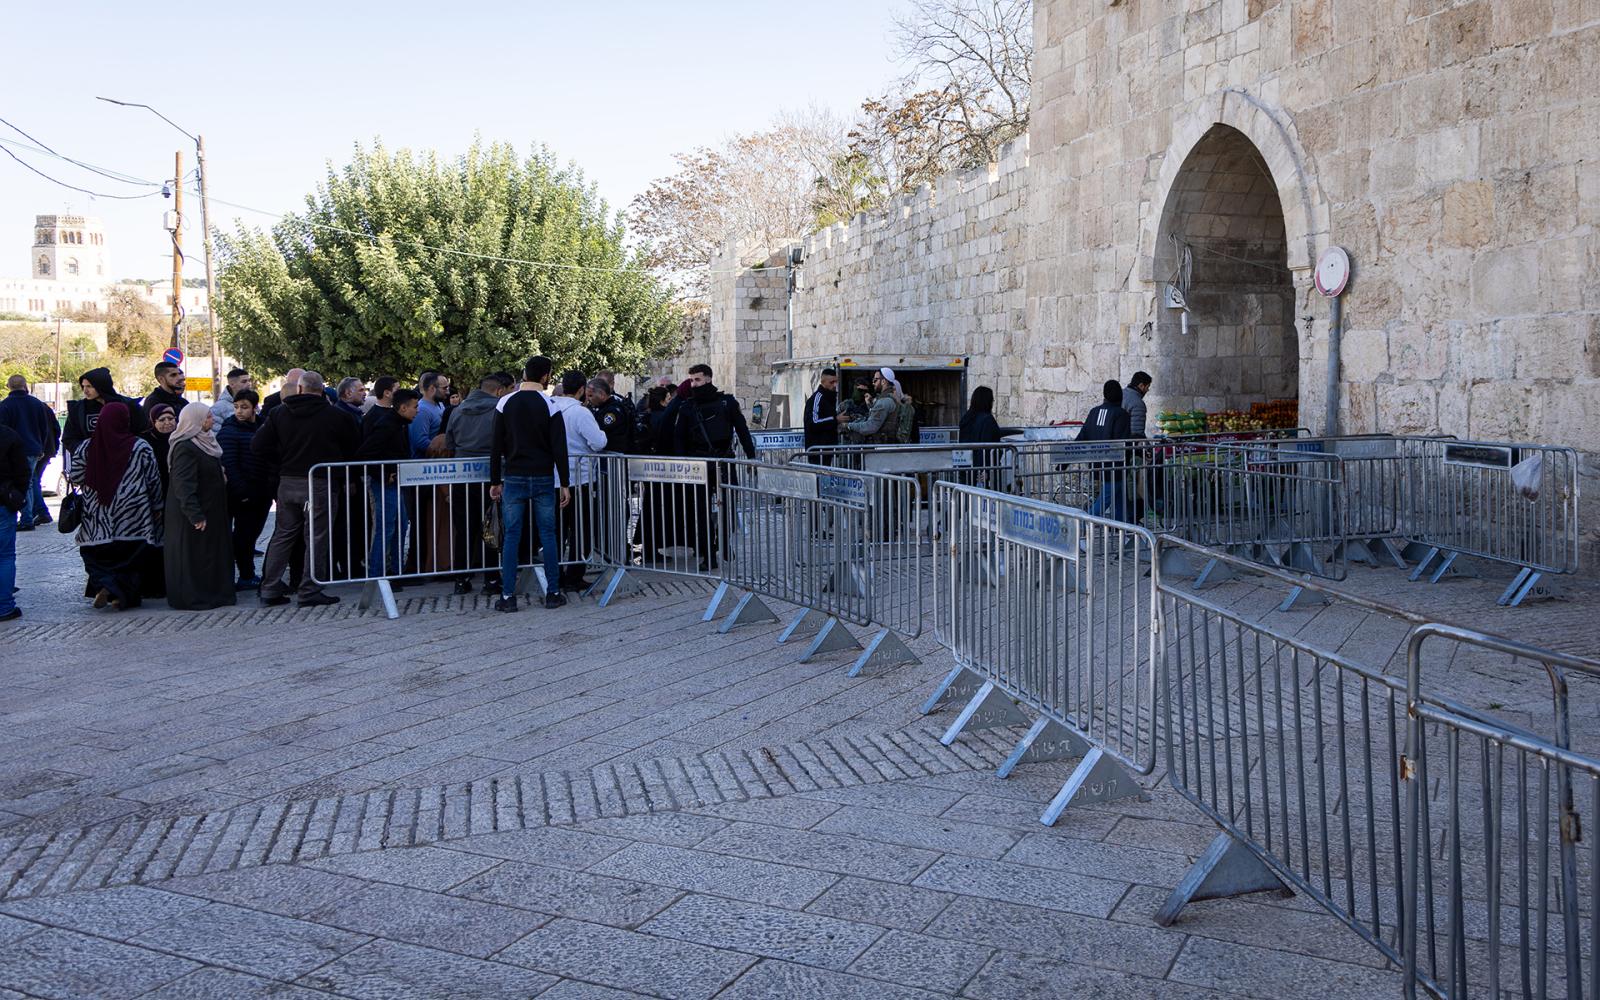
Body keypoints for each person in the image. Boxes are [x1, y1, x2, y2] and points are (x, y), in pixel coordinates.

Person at [252, 371, 360, 607]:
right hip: (320, 481)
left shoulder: (279, 413)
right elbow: (353, 448)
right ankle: (309, 590)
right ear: (321, 390)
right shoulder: (336, 415)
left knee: (283, 534)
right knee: (317, 537)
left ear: (299, 389)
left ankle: (269, 588)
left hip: (288, 482)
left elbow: (258, 445)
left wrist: (282, 460)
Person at [489, 355, 570, 612]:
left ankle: (507, 596)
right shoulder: (550, 404)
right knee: (548, 535)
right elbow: (560, 447)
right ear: (546, 376)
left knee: (512, 535)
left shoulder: (505, 402)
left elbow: (495, 445)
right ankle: (553, 592)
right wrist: (565, 482)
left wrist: (494, 480)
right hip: (544, 476)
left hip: (513, 475)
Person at [66, 402, 164, 610]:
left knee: (97, 556)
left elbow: (75, 476)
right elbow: (153, 480)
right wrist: (157, 507)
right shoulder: (140, 446)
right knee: (132, 558)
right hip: (134, 516)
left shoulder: (86, 446)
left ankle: (106, 585)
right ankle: (120, 595)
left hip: (97, 515)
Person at [672, 364, 756, 571]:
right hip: (698, 464)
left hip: (724, 461)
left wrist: (752, 456)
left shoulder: (727, 403)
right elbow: (679, 439)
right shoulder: (687, 407)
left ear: (709, 379)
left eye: (697, 380)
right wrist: (683, 465)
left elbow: (742, 430)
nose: (693, 384)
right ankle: (708, 554)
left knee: (728, 505)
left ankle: (724, 541)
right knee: (700, 511)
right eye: (691, 380)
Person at [446, 372, 514, 595]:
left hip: (461, 475)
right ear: (499, 390)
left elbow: (449, 442)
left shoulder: (457, 411)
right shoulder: (500, 410)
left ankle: (461, 579)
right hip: (491, 475)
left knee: (463, 527)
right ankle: (491, 578)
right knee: (491, 526)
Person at [163, 403, 235, 610]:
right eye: (208, 417)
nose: (211, 421)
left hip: (212, 509)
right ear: (196, 421)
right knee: (194, 557)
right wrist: (195, 514)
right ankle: (196, 597)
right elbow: (183, 484)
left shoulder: (205, 442)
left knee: (210, 554)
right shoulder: (185, 447)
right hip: (194, 513)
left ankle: (215, 594)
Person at [550, 371, 607, 591]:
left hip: (553, 477)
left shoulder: (550, 407)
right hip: (578, 479)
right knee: (581, 529)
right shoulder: (580, 413)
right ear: (582, 390)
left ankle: (555, 573)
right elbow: (598, 442)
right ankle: (574, 575)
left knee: (556, 530)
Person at [357, 388, 419, 581]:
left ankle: (395, 572)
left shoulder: (400, 423)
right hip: (385, 484)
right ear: (402, 407)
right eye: (415, 407)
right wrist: (384, 475)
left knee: (400, 526)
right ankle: (377, 575)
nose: (417, 411)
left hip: (395, 482)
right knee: (386, 529)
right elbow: (365, 454)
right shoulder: (387, 425)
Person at [218, 389, 271, 589]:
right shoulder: (229, 430)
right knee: (243, 536)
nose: (239, 411)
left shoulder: (263, 426)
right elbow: (229, 464)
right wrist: (243, 492)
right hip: (242, 493)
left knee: (251, 535)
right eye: (237, 407)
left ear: (254, 408)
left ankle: (247, 573)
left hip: (261, 491)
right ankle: (246, 575)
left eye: (244, 407)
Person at [0, 375, 60, 530]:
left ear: (9, 386)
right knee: (31, 480)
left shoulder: (5, 406)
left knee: (26, 482)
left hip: (16, 450)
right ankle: (40, 511)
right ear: (25, 385)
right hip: (34, 447)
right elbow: (44, 428)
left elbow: (4, 432)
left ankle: (27, 518)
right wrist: (41, 446)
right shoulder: (37, 404)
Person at [1075, 379, 1133, 522]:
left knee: (1120, 499)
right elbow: (1123, 442)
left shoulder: (1094, 412)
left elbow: (1083, 436)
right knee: (1104, 501)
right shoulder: (1121, 414)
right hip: (1115, 466)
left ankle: (1124, 530)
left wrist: (1064, 461)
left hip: (1097, 464)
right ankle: (1082, 526)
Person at [64, 367, 147, 454]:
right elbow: (69, 438)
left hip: (125, 460)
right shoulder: (78, 409)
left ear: (101, 386)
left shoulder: (128, 405)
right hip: (91, 462)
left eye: (89, 386)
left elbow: (143, 431)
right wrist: (86, 452)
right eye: (83, 386)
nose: (85, 391)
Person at [0, 421, 27, 621]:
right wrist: (16, 496)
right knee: (5, 556)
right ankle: (4, 606)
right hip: (3, 500)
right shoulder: (9, 435)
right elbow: (22, 472)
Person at [838, 368, 900, 445]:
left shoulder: (884, 401)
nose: (873, 383)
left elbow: (870, 427)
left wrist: (848, 425)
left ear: (883, 381)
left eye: (875, 380)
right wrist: (870, 405)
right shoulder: (889, 398)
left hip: (881, 448)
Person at [587, 377, 633, 454]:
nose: (588, 399)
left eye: (591, 396)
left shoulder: (612, 411)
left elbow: (599, 430)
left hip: (612, 455)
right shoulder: (602, 408)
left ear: (601, 394)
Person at [802, 368, 839, 454]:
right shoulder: (817, 398)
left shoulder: (830, 398)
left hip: (828, 448)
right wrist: (835, 420)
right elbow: (813, 422)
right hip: (817, 449)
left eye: (836, 382)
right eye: (831, 382)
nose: (834, 385)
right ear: (823, 382)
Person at [410, 372, 447, 457]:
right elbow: (420, 442)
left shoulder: (440, 404)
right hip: (425, 465)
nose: (448, 391)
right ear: (432, 388)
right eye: (444, 388)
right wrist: (444, 450)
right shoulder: (422, 410)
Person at [145, 404, 177, 490]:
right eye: (162, 420)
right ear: (154, 422)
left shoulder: (180, 437)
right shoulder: (146, 441)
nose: (167, 423)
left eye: (170, 419)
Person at [1123, 371, 1152, 439]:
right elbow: (1137, 433)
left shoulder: (1121, 393)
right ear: (1141, 385)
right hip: (1127, 445)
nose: (1147, 390)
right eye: (1147, 387)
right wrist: (1150, 448)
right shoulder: (1138, 403)